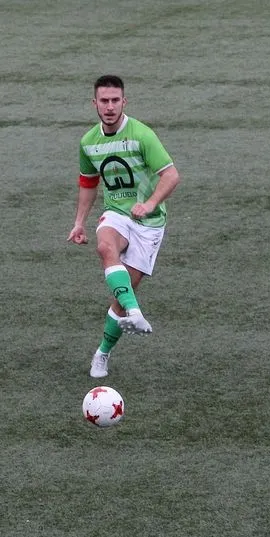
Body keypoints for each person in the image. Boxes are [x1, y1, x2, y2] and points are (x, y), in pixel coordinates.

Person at [67, 75, 181, 378]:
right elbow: (88, 183)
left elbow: (171, 176)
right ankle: (136, 312)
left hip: (149, 223)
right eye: (104, 101)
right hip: (116, 213)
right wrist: (79, 223)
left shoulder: (142, 135)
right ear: (94, 104)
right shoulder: (88, 142)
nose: (109, 107)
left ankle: (102, 352)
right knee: (105, 247)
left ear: (124, 102)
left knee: (121, 295)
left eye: (115, 100)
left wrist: (150, 203)